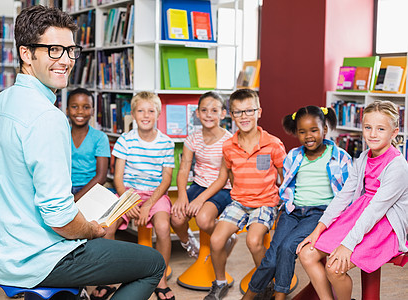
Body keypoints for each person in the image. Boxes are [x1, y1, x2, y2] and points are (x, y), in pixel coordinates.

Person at [0, 6, 165, 300]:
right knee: (153, 264)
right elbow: (59, 218)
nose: (65, 60)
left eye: (70, 50)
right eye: (53, 50)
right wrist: (92, 229)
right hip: (36, 258)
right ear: (26, 54)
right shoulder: (46, 117)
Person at [297, 100, 408, 300]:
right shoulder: (363, 157)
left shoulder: (397, 166)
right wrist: (319, 229)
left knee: (334, 268)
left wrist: (347, 244)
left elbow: (376, 210)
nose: (372, 134)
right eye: (368, 127)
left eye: (380, 129)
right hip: (360, 214)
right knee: (306, 254)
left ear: (394, 133)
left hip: (384, 222)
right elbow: (343, 196)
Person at [242, 106, 352, 300]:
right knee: (271, 256)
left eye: (314, 130)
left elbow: (349, 193)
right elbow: (287, 185)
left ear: (324, 129)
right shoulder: (294, 156)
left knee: (288, 247)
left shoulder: (341, 157)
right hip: (292, 212)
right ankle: (249, 296)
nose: (308, 136)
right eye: (302, 132)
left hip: (319, 214)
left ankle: (280, 296)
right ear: (296, 133)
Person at [203, 89, 287, 300]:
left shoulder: (273, 144)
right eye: (238, 112)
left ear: (259, 111)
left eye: (249, 110)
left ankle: (266, 283)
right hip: (239, 202)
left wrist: (286, 206)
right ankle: (220, 283)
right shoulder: (228, 146)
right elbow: (228, 175)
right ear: (231, 115)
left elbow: (285, 178)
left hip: (265, 203)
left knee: (253, 240)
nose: (244, 116)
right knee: (216, 240)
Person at [105, 91, 176, 300]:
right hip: (129, 193)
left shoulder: (166, 143)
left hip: (156, 194)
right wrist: (128, 201)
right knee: (108, 227)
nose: (146, 115)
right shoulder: (125, 140)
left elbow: (166, 180)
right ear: (133, 115)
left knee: (163, 228)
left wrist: (148, 205)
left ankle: (160, 278)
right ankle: (108, 278)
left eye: (151, 111)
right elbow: (118, 178)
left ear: (158, 114)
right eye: (141, 111)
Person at [171, 91, 233, 258]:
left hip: (223, 188)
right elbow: (184, 169)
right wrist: (182, 195)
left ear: (223, 114)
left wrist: (199, 200)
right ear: (197, 113)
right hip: (199, 185)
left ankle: (227, 237)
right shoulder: (192, 139)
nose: (208, 115)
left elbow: (222, 179)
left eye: (214, 110)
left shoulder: (229, 141)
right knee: (176, 217)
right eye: (204, 110)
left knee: (203, 219)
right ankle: (191, 244)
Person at [67, 88, 110, 201]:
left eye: (86, 107)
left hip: (91, 190)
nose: (80, 111)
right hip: (64, 189)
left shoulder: (100, 138)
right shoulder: (62, 135)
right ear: (67, 110)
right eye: (74, 107)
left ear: (93, 111)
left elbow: (101, 177)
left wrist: (76, 199)